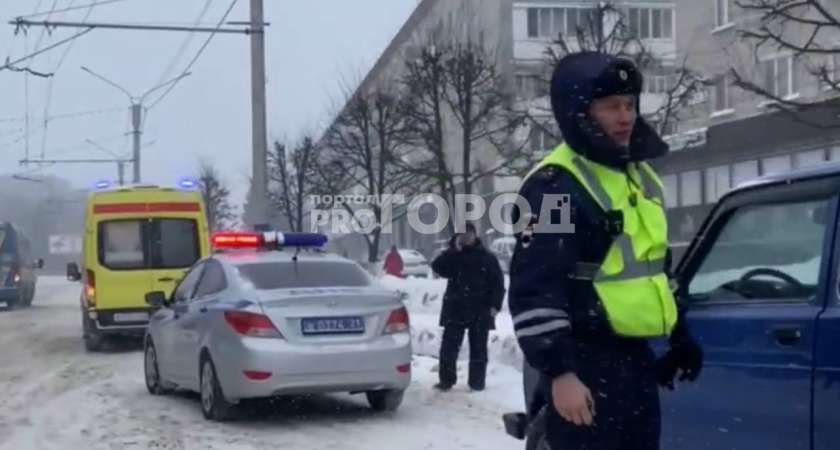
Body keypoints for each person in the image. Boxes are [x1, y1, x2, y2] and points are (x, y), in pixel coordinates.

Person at [508, 51, 704, 450]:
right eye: (611, 106)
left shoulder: (639, 177)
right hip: (584, 363)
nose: (626, 116)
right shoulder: (552, 187)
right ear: (580, 112)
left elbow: (654, 270)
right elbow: (534, 291)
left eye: (630, 104)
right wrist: (560, 373)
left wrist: (678, 334)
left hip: (633, 362)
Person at [431, 222, 505, 392]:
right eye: (462, 234)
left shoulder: (487, 257)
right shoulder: (453, 255)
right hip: (455, 308)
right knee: (449, 347)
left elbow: (497, 283)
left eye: (468, 234)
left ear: (475, 235)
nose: (465, 237)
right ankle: (446, 380)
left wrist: (495, 306)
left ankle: (477, 382)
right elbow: (437, 267)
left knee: (478, 348)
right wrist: (452, 250)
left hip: (480, 308)